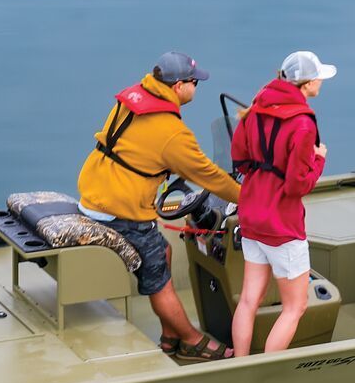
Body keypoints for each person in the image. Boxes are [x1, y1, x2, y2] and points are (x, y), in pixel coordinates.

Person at [78, 50, 243, 362]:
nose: (197, 87)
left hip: (95, 192)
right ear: (179, 86)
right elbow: (209, 176)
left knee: (163, 250)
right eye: (195, 82)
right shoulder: (172, 133)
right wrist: (248, 198)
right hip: (120, 210)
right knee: (157, 278)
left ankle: (169, 336)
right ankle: (192, 341)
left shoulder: (135, 98)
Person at [229, 50, 333, 356]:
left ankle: (241, 364)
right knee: (294, 307)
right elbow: (297, 185)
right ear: (306, 84)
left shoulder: (257, 105)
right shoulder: (303, 123)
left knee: (248, 300)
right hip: (282, 226)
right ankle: (263, 374)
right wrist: (318, 160)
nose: (321, 83)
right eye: (318, 78)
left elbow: (240, 160)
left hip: (252, 215)